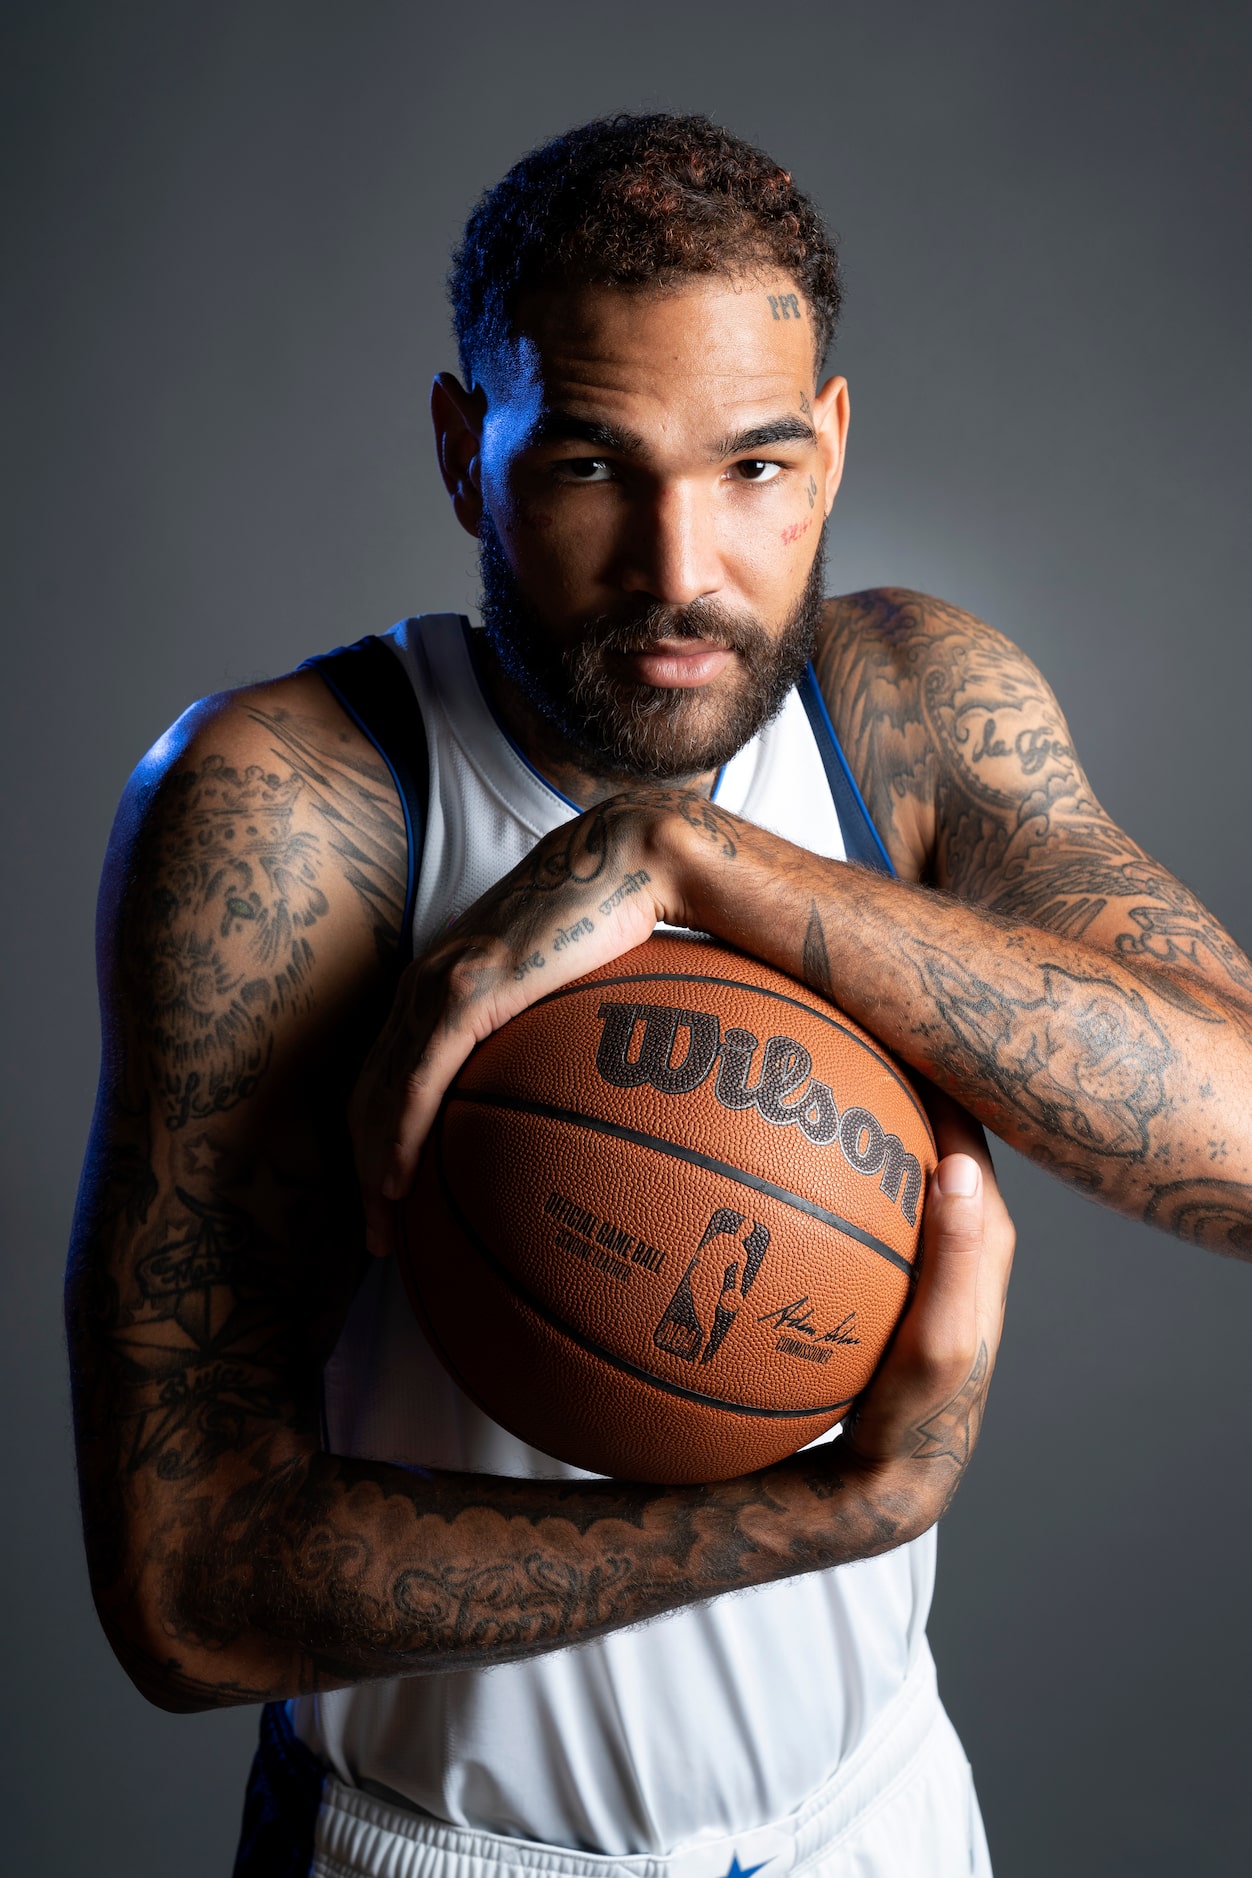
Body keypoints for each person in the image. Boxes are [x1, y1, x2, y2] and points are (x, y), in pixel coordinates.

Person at [65, 114, 1251, 1878]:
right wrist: (825, 1514)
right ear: (472, 454)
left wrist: (705, 867)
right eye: (592, 469)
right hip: (454, 1850)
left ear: (834, 448)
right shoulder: (296, 811)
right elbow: (187, 1590)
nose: (682, 567)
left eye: (757, 467)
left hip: (884, 1818)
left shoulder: (906, 710)